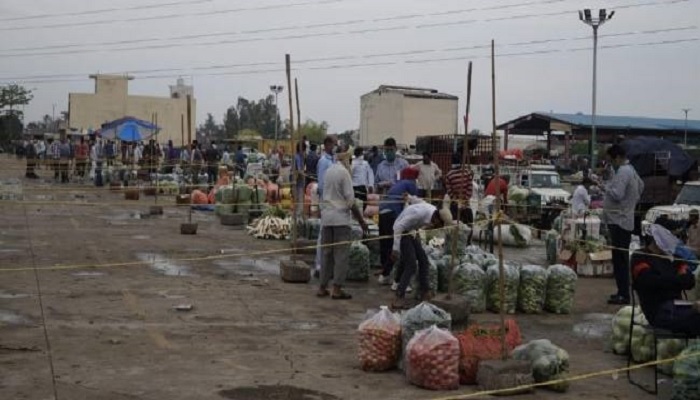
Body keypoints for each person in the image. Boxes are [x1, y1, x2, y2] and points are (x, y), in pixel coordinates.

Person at [317, 152, 368, 300]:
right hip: (340, 220)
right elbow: (351, 201)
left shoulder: (328, 171)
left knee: (326, 254)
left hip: (326, 218)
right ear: (347, 160)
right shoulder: (344, 173)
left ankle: (322, 287)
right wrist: (361, 221)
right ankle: (337, 289)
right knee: (341, 256)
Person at [632, 224, 699, 335]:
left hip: (679, 306)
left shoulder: (674, 258)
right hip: (658, 310)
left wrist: (669, 280)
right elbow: (648, 282)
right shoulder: (640, 257)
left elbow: (689, 281)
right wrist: (677, 280)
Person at [603, 144, 644, 305]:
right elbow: (641, 186)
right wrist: (631, 202)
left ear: (618, 158)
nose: (610, 163)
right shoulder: (631, 170)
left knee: (620, 259)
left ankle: (623, 294)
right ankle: (622, 292)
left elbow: (617, 194)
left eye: (611, 160)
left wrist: (605, 187)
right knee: (620, 258)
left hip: (619, 220)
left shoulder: (623, 171)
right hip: (623, 218)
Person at [391, 200, 452, 309]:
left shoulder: (433, 212)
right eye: (439, 225)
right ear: (437, 219)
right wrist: (395, 248)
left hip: (411, 231)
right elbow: (398, 227)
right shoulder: (418, 214)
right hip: (402, 232)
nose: (437, 228)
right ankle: (399, 296)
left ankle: (425, 292)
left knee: (423, 260)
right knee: (411, 264)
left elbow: (417, 200)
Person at [377, 167, 419, 289]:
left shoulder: (398, 184)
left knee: (386, 245)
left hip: (383, 213)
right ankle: (394, 278)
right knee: (399, 246)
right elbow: (414, 203)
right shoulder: (410, 184)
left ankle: (385, 275)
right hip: (392, 214)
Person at [313, 136, 338, 276]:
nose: (335, 147)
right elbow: (322, 184)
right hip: (326, 201)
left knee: (329, 234)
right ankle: (319, 265)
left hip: (333, 201)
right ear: (327, 144)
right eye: (333, 144)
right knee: (323, 233)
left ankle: (326, 265)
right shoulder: (323, 162)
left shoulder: (333, 160)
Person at [444, 165, 475, 232]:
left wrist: (457, 201)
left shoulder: (449, 175)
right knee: (468, 226)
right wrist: (464, 201)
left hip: (456, 204)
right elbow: (470, 189)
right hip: (464, 205)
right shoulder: (467, 173)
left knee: (455, 226)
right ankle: (467, 241)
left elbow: (450, 192)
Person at [351, 146, 374, 210]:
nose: (362, 155)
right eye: (361, 153)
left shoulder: (365, 163)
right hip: (355, 188)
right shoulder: (353, 163)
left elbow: (370, 174)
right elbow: (350, 175)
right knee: (356, 206)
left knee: (363, 205)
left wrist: (370, 185)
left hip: (363, 188)